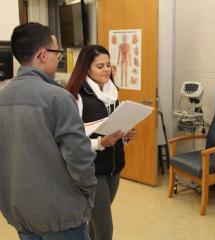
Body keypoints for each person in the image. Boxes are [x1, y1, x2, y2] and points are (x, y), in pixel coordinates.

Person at [0, 22, 97, 240]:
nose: (58, 58)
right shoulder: (59, 98)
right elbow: (79, 159)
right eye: (57, 53)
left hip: (21, 213)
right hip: (62, 216)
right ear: (43, 54)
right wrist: (89, 194)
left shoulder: (2, 97)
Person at [65, 44, 135, 240]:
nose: (106, 70)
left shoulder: (112, 93)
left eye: (108, 65)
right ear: (86, 68)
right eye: (100, 66)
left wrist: (124, 135)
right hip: (92, 169)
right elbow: (72, 142)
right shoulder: (76, 96)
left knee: (97, 219)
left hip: (114, 165)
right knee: (105, 228)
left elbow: (113, 126)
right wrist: (100, 143)